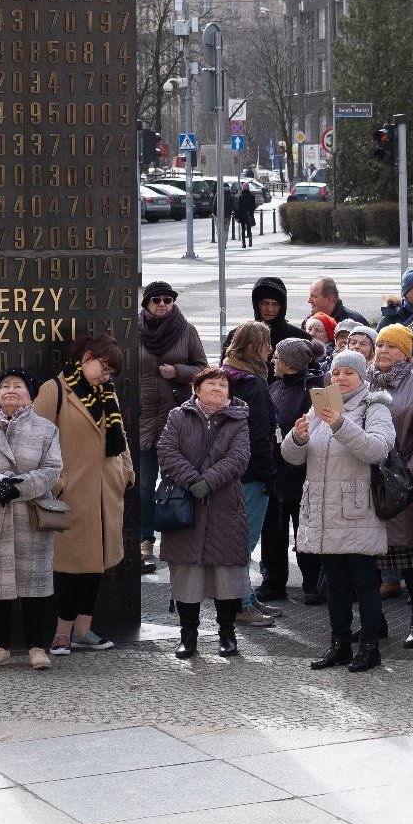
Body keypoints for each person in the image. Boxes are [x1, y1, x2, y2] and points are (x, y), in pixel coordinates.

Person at [284, 350, 398, 672]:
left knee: (364, 581)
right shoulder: (320, 406)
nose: (340, 379)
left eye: (348, 372)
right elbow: (292, 458)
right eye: (335, 373)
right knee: (334, 583)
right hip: (322, 510)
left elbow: (377, 450)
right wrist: (297, 437)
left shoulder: (374, 406)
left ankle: (370, 647)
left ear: (363, 376)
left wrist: (340, 423)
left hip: (356, 509)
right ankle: (339, 644)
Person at [35, 335, 135, 656]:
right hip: (72, 494)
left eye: (110, 374)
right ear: (86, 357)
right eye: (103, 369)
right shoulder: (54, 391)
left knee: (97, 564)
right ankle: (61, 633)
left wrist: (126, 473)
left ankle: (84, 629)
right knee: (70, 566)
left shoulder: (107, 394)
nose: (105, 377)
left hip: (107, 492)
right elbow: (36, 440)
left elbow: (121, 439)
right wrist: (56, 482)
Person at [0, 369, 65, 672]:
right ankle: (0, 646)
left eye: (18, 386)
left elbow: (52, 468)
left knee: (35, 586)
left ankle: (37, 647)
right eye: (4, 386)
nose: (10, 390)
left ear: (30, 396)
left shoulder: (46, 429)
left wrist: (18, 487)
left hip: (30, 514)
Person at [157, 368, 255, 658]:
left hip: (225, 506)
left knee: (226, 573)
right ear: (196, 388)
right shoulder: (178, 416)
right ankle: (188, 635)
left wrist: (208, 482)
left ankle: (227, 633)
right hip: (185, 507)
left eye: (222, 384)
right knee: (187, 573)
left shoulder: (238, 420)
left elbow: (239, 458)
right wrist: (191, 480)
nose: (217, 388)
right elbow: (166, 451)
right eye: (210, 383)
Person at [368, 324, 413, 645]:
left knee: (410, 558)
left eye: (392, 347)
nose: (383, 351)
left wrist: (406, 478)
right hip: (368, 485)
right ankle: (376, 620)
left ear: (406, 354)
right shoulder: (364, 382)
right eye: (380, 344)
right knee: (369, 557)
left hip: (405, 486)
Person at [138, 282, 208, 575]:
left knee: (173, 483)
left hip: (174, 419)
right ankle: (144, 540)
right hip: (141, 419)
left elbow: (204, 370)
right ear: (146, 304)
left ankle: (174, 538)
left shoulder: (185, 329)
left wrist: (177, 372)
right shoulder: (133, 331)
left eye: (168, 300)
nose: (163, 304)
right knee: (142, 484)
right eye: (157, 300)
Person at [220, 321, 282, 626]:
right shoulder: (253, 383)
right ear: (252, 348)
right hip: (252, 473)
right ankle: (241, 605)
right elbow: (259, 434)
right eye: (266, 344)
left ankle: (248, 599)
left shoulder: (225, 376)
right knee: (244, 542)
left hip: (230, 471)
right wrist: (269, 473)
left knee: (238, 540)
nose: (270, 350)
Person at [269, 337, 325, 604]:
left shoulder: (315, 389)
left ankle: (312, 584)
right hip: (277, 475)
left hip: (303, 475)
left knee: (306, 531)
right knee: (274, 532)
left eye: (277, 358)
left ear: (290, 363)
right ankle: (274, 582)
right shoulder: (275, 387)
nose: (273, 361)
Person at [247, 276, 302, 347]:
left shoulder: (299, 339)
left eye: (275, 304)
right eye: (265, 303)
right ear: (257, 305)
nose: (270, 309)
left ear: (282, 307)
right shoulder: (240, 337)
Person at [233, 180, 256, 248]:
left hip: (243, 215)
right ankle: (250, 238)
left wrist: (237, 215)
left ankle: (244, 243)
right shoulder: (252, 197)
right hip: (249, 215)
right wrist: (251, 213)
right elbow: (253, 207)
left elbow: (239, 207)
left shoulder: (241, 197)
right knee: (249, 228)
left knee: (243, 229)